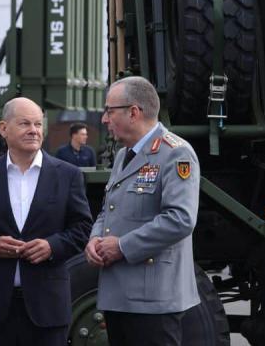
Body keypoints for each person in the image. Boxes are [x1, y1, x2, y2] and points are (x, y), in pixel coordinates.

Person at [0, 97, 93, 346]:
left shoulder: (68, 175)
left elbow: (82, 228)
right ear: (4, 128)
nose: (34, 130)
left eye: (38, 124)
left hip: (48, 311)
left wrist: (52, 246)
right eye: (25, 123)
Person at [84, 76, 200, 346]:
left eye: (109, 111)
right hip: (119, 295)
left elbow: (180, 219)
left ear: (133, 112)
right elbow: (108, 209)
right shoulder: (124, 155)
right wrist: (94, 239)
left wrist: (122, 246)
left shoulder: (176, 154)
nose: (104, 119)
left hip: (153, 301)